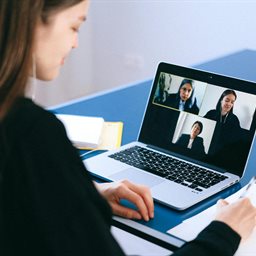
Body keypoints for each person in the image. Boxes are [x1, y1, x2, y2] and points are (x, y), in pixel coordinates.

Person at [0, 1, 256, 256]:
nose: (76, 43)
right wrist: (224, 231)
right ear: (30, 21)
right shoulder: (33, 135)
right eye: (74, 26)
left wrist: (86, 193)